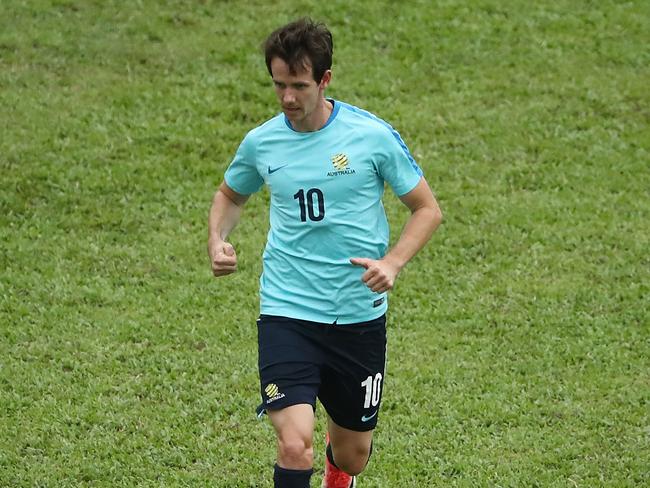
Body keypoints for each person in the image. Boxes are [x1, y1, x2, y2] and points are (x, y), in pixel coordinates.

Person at [208, 18, 442, 488]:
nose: (287, 98)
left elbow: (427, 209)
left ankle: (341, 474)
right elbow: (231, 195)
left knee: (353, 455)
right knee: (295, 444)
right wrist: (217, 238)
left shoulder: (371, 137)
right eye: (279, 85)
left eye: (299, 85)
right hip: (287, 311)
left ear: (325, 80)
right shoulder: (262, 142)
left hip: (357, 316)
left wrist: (392, 262)